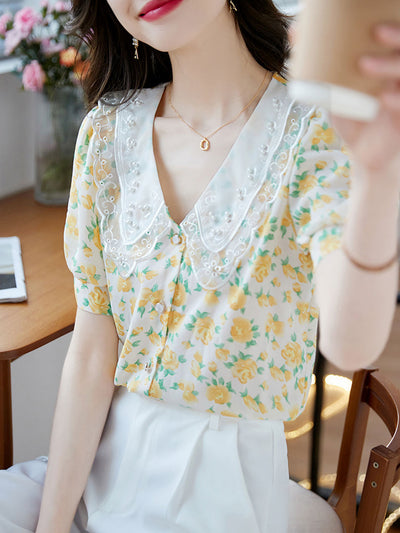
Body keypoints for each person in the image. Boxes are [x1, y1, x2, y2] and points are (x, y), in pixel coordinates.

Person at [0, 1, 399, 532]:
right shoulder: (106, 132)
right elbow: (93, 353)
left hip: (219, 494)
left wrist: (380, 178)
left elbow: (352, 345)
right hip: (95, 466)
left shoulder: (311, 134)